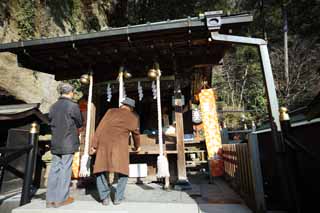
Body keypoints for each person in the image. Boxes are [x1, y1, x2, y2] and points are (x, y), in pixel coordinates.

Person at [90, 97, 140, 205]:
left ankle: (104, 198)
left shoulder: (110, 111)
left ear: (122, 105)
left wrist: (94, 144)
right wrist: (137, 146)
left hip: (104, 145)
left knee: (100, 169)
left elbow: (100, 127)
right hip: (120, 147)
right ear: (131, 108)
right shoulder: (133, 117)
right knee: (123, 172)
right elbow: (136, 134)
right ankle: (118, 198)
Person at [46, 83, 83, 208]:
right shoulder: (73, 106)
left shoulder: (53, 106)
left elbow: (49, 120)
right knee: (65, 170)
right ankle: (61, 199)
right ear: (70, 92)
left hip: (56, 141)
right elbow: (79, 122)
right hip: (68, 141)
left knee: (54, 170)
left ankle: (50, 200)